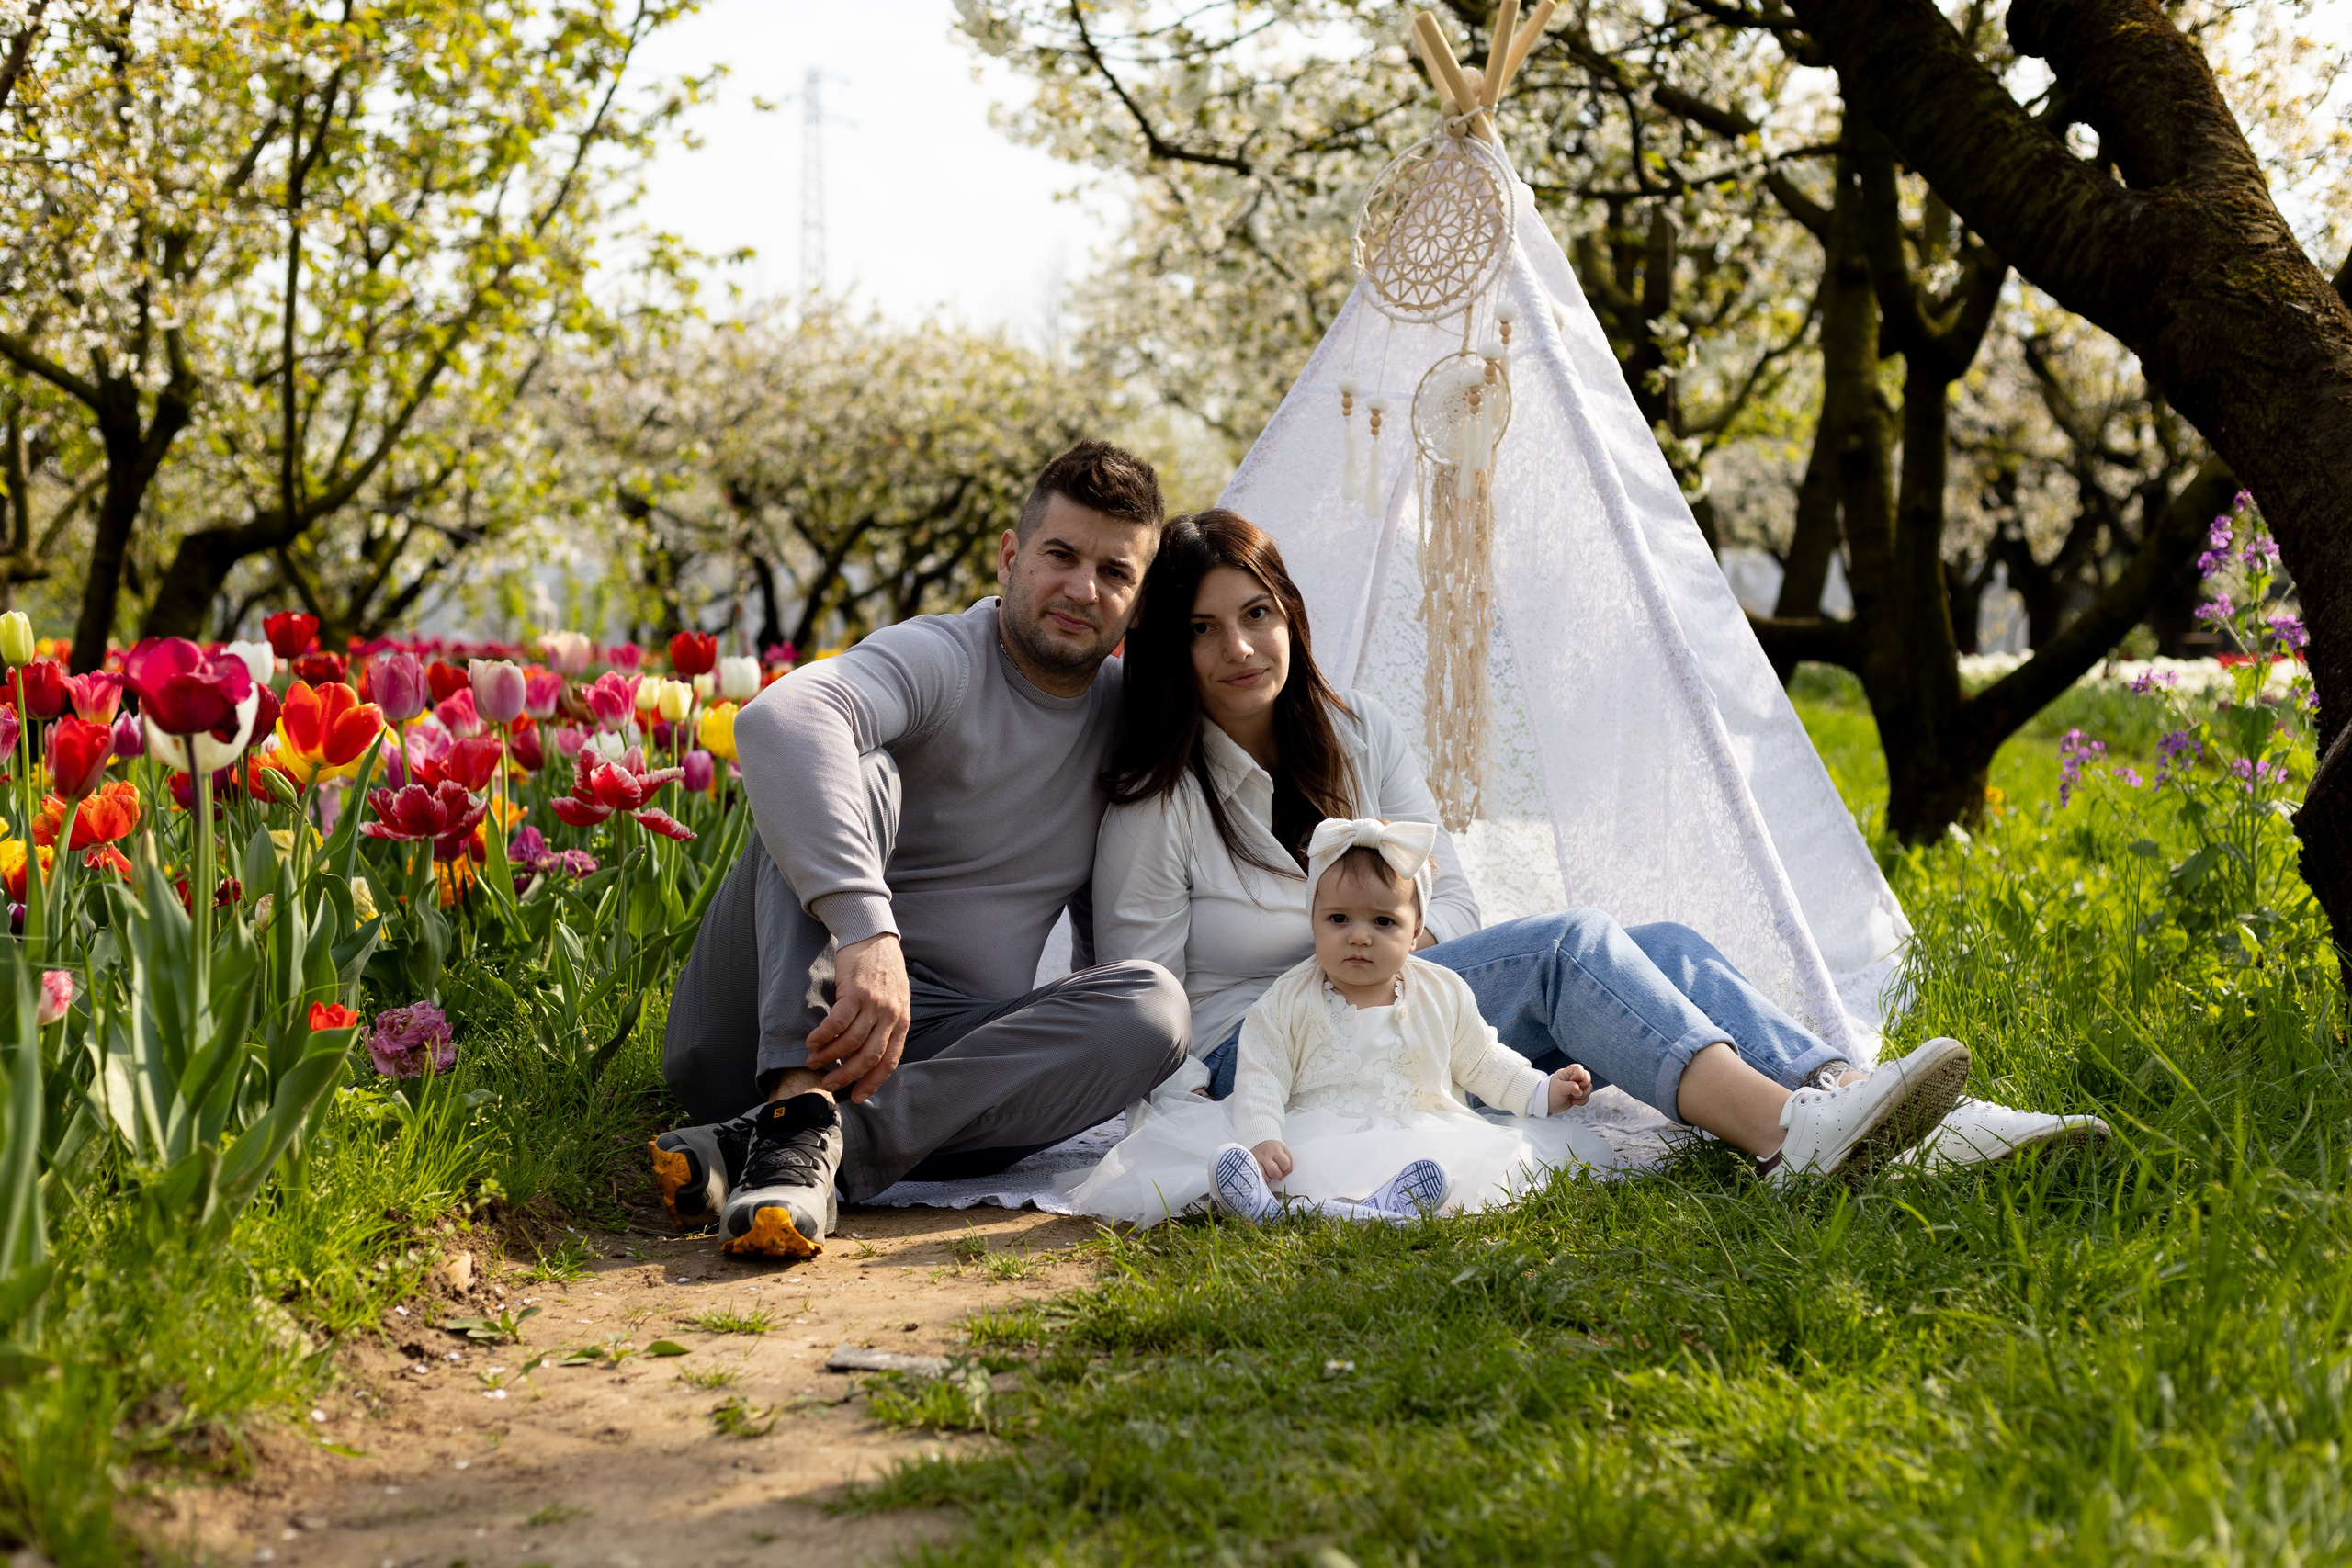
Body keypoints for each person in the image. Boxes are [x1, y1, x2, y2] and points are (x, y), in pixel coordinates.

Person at [1086, 509, 2104, 1195]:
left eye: (1256, 614)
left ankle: (1880, 1111)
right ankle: (1787, 1140)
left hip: (1408, 1004)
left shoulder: (1359, 735)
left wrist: (1395, 958)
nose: (1239, 649)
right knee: (1567, 946)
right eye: (1202, 630)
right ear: (1171, 654)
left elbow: (1463, 907)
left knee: (1656, 938)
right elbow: (1145, 1007)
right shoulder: (1156, 796)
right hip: (1259, 1049)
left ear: (1289, 614)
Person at [651, 441, 1191, 1258]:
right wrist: (869, 930)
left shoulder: (1127, 724)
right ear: (1011, 558)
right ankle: (790, 1104)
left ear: (1140, 602)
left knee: (1153, 1006)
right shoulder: (944, 655)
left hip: (934, 1074)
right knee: (852, 769)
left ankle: (795, 1146)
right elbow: (780, 719)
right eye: (1060, 555)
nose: (1083, 588)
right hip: (771, 1017)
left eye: (1115, 572)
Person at [1072, 817, 1618, 1224]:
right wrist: (1263, 1137)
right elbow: (1262, 1077)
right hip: (1312, 1131)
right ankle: (1289, 1203)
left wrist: (1542, 1090)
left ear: (1416, 928)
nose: (1359, 936)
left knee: (1454, 1164)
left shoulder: (1443, 992)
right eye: (1338, 919)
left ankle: (1370, 1207)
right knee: (1284, 1168)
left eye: (1383, 921)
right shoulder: (1287, 1000)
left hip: (1415, 1127)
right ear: (1312, 921)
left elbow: (1482, 1060)